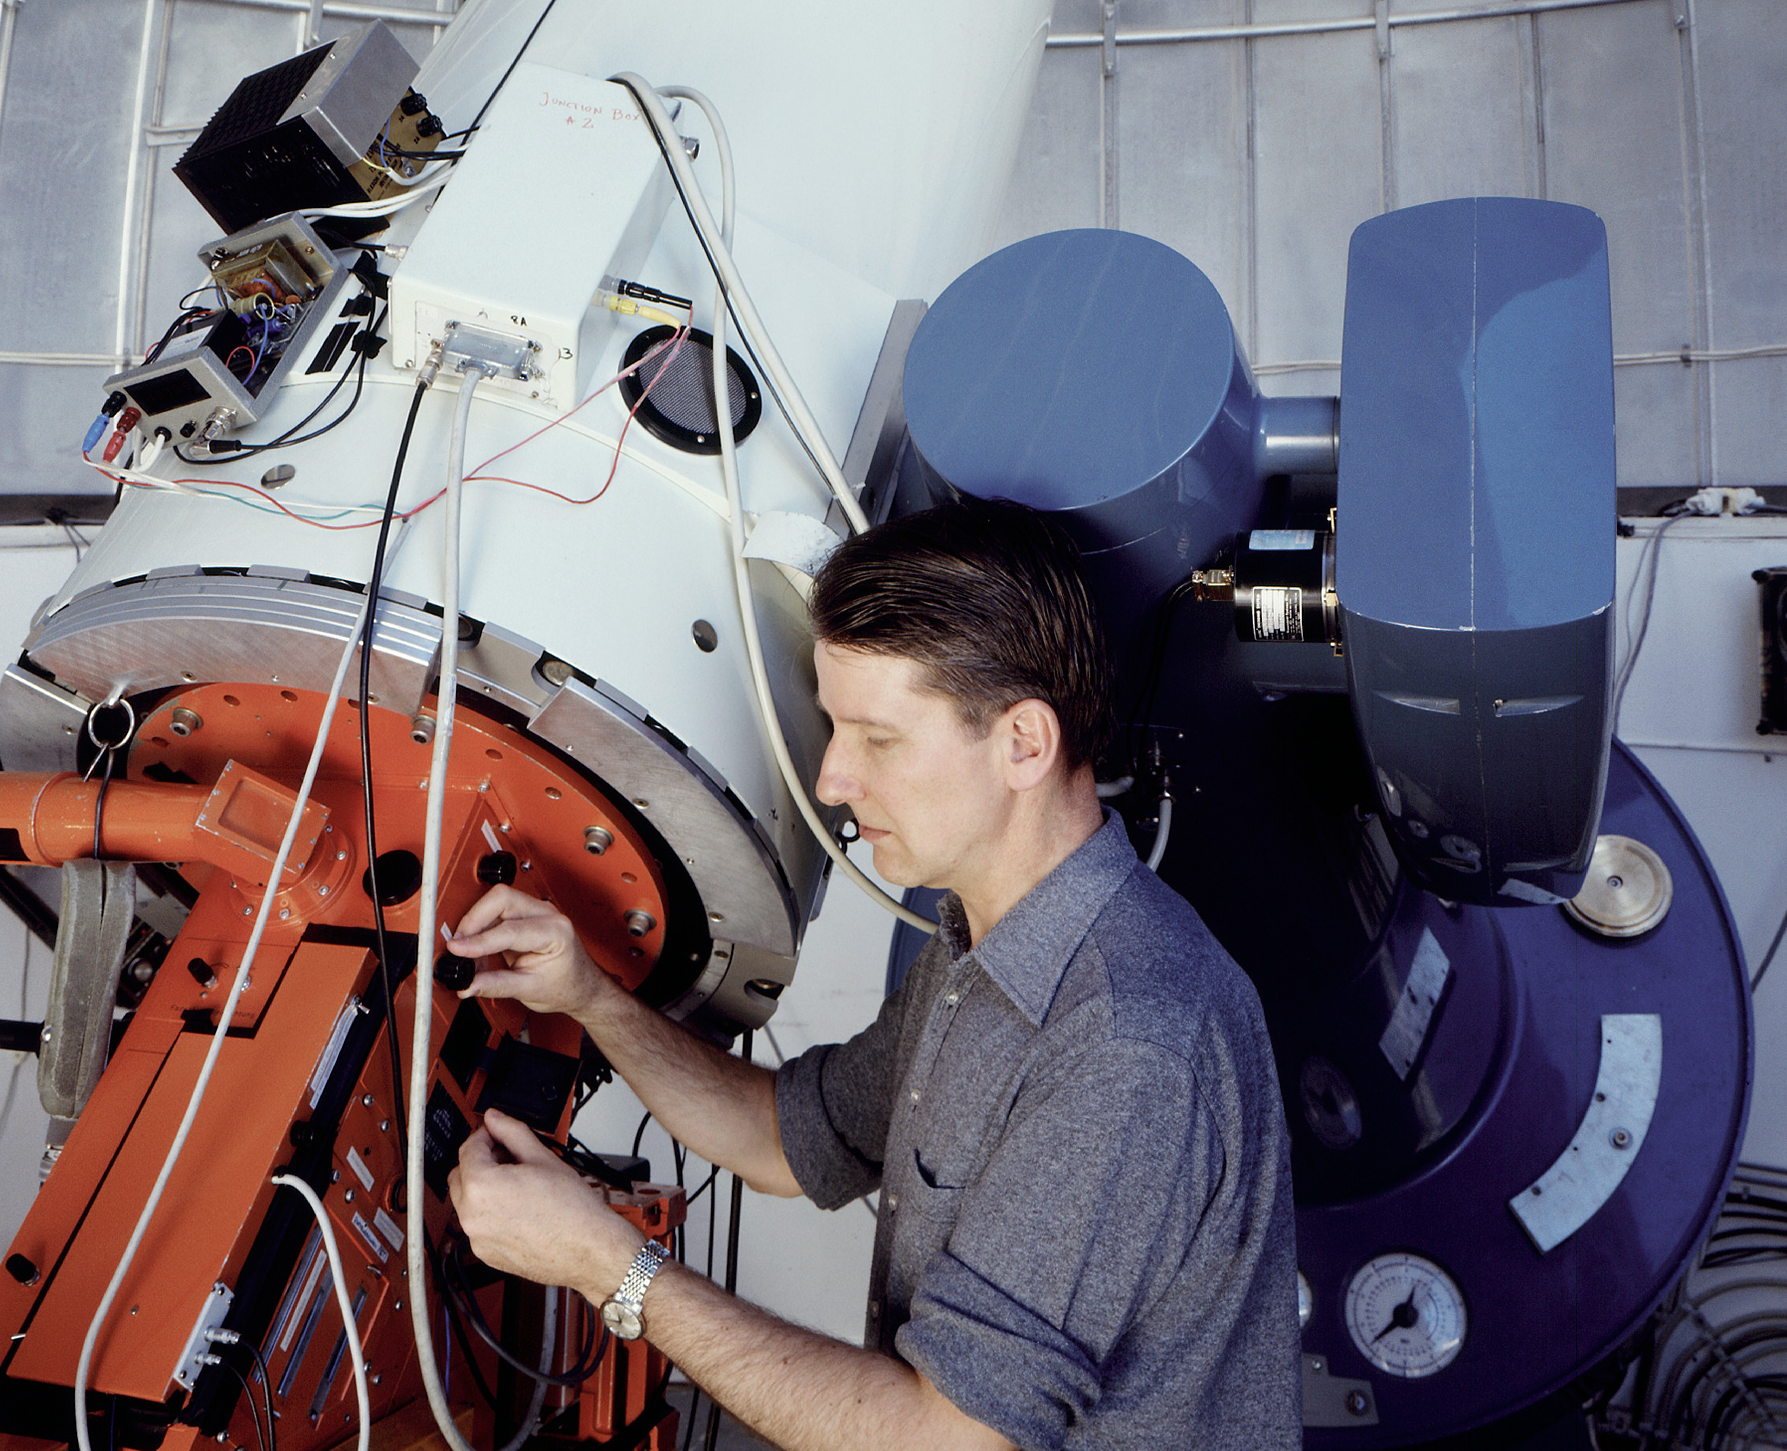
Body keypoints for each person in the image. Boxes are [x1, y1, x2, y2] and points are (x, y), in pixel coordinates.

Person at [445, 497, 1301, 1450]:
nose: (832, 781)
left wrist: (611, 1266)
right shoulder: (983, 943)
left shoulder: (1127, 1041)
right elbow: (787, 1139)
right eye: (835, 729)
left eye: (879, 739)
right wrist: (589, 995)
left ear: (1024, 743)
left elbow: (947, 1440)